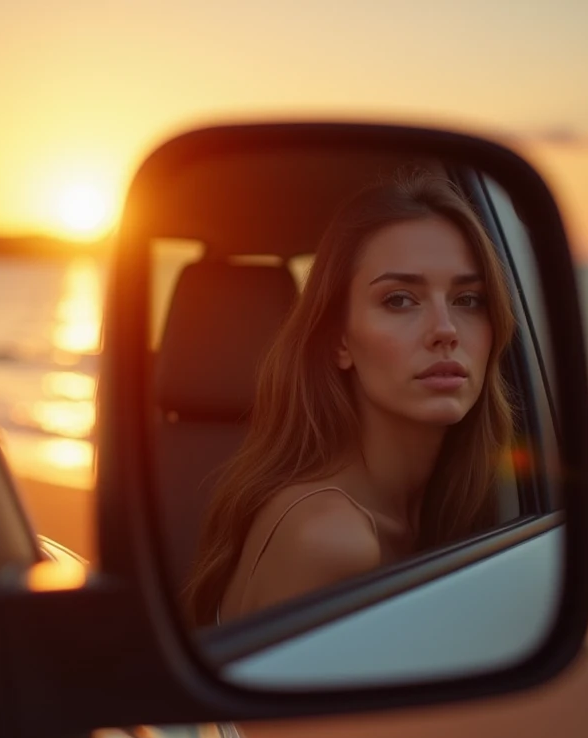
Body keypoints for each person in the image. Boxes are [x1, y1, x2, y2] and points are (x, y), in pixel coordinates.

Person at [183, 168, 516, 627]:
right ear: (340, 340)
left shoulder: (433, 508)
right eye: (400, 300)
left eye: (469, 300)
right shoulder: (331, 539)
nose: (445, 330)